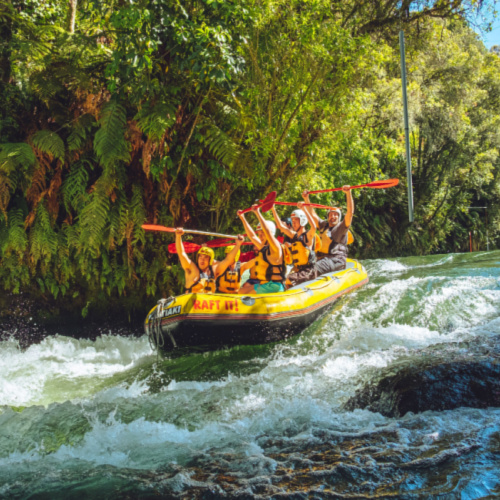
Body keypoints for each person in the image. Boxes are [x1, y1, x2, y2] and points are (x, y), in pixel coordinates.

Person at [302, 185, 353, 274]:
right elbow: (312, 215)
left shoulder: (341, 228)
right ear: (328, 216)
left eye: (335, 214)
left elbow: (350, 213)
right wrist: (306, 199)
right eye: (330, 214)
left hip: (335, 260)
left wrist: (348, 193)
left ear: (339, 217)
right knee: (303, 266)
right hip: (322, 259)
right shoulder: (323, 225)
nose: (332, 216)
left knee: (310, 270)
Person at [175, 228, 244, 293]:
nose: (202, 259)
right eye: (200, 257)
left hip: (208, 304)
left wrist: (238, 245)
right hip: (193, 304)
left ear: (210, 260)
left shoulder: (214, 271)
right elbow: (182, 254)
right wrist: (178, 237)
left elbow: (228, 260)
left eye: (206, 257)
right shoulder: (192, 269)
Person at [237, 205, 286, 294]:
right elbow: (252, 236)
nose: (260, 236)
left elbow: (267, 231)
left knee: (245, 295)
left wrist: (257, 212)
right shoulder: (263, 248)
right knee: (239, 292)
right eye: (259, 233)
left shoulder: (276, 247)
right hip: (264, 284)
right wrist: (242, 218)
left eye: (262, 233)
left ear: (270, 234)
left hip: (274, 286)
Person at [271, 202, 318, 288]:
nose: (293, 223)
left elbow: (314, 227)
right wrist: (273, 209)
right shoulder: (294, 235)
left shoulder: (308, 236)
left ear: (302, 220)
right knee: (278, 279)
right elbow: (281, 226)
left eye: (295, 220)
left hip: (308, 271)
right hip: (296, 270)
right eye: (292, 221)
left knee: (285, 280)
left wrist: (304, 209)